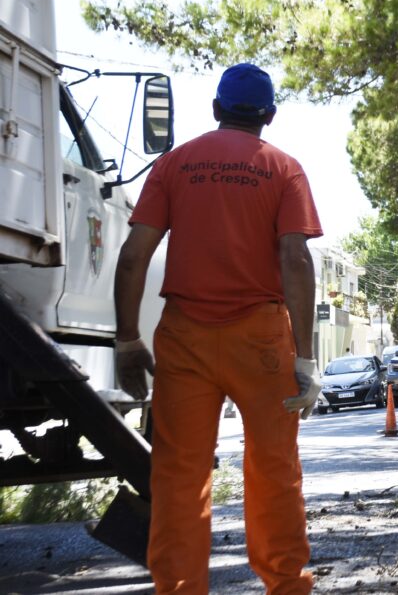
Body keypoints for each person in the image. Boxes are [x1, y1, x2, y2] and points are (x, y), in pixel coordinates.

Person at [113, 63, 323, 594]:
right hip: (262, 342)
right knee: (275, 472)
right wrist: (305, 355)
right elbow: (295, 258)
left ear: (215, 111)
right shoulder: (284, 168)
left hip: (185, 338)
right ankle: (287, 587)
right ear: (269, 116)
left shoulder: (175, 164)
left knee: (180, 479)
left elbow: (134, 255)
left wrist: (126, 338)